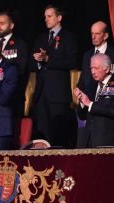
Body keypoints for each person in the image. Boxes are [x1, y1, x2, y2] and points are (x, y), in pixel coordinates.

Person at [30, 5, 78, 147]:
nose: (46, 19)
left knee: (58, 134)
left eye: (49, 16)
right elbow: (31, 64)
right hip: (41, 94)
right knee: (43, 134)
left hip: (58, 95)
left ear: (59, 18)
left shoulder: (69, 37)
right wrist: (38, 61)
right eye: (45, 17)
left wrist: (48, 59)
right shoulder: (40, 38)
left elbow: (72, 62)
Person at [76, 21, 114, 146]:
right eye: (92, 34)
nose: (93, 37)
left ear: (105, 35)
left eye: (97, 34)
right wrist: (81, 96)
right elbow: (82, 80)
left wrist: (91, 103)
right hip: (88, 115)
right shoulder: (87, 55)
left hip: (105, 119)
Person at [74, 54, 114, 148]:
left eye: (96, 68)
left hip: (107, 141)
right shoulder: (91, 86)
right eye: (91, 68)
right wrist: (82, 102)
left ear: (107, 69)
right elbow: (81, 115)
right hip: (88, 141)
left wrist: (90, 104)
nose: (93, 72)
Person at [0, 11, 29, 118]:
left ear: (11, 25)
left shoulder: (20, 44)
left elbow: (21, 69)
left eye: (2, 23)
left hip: (13, 96)